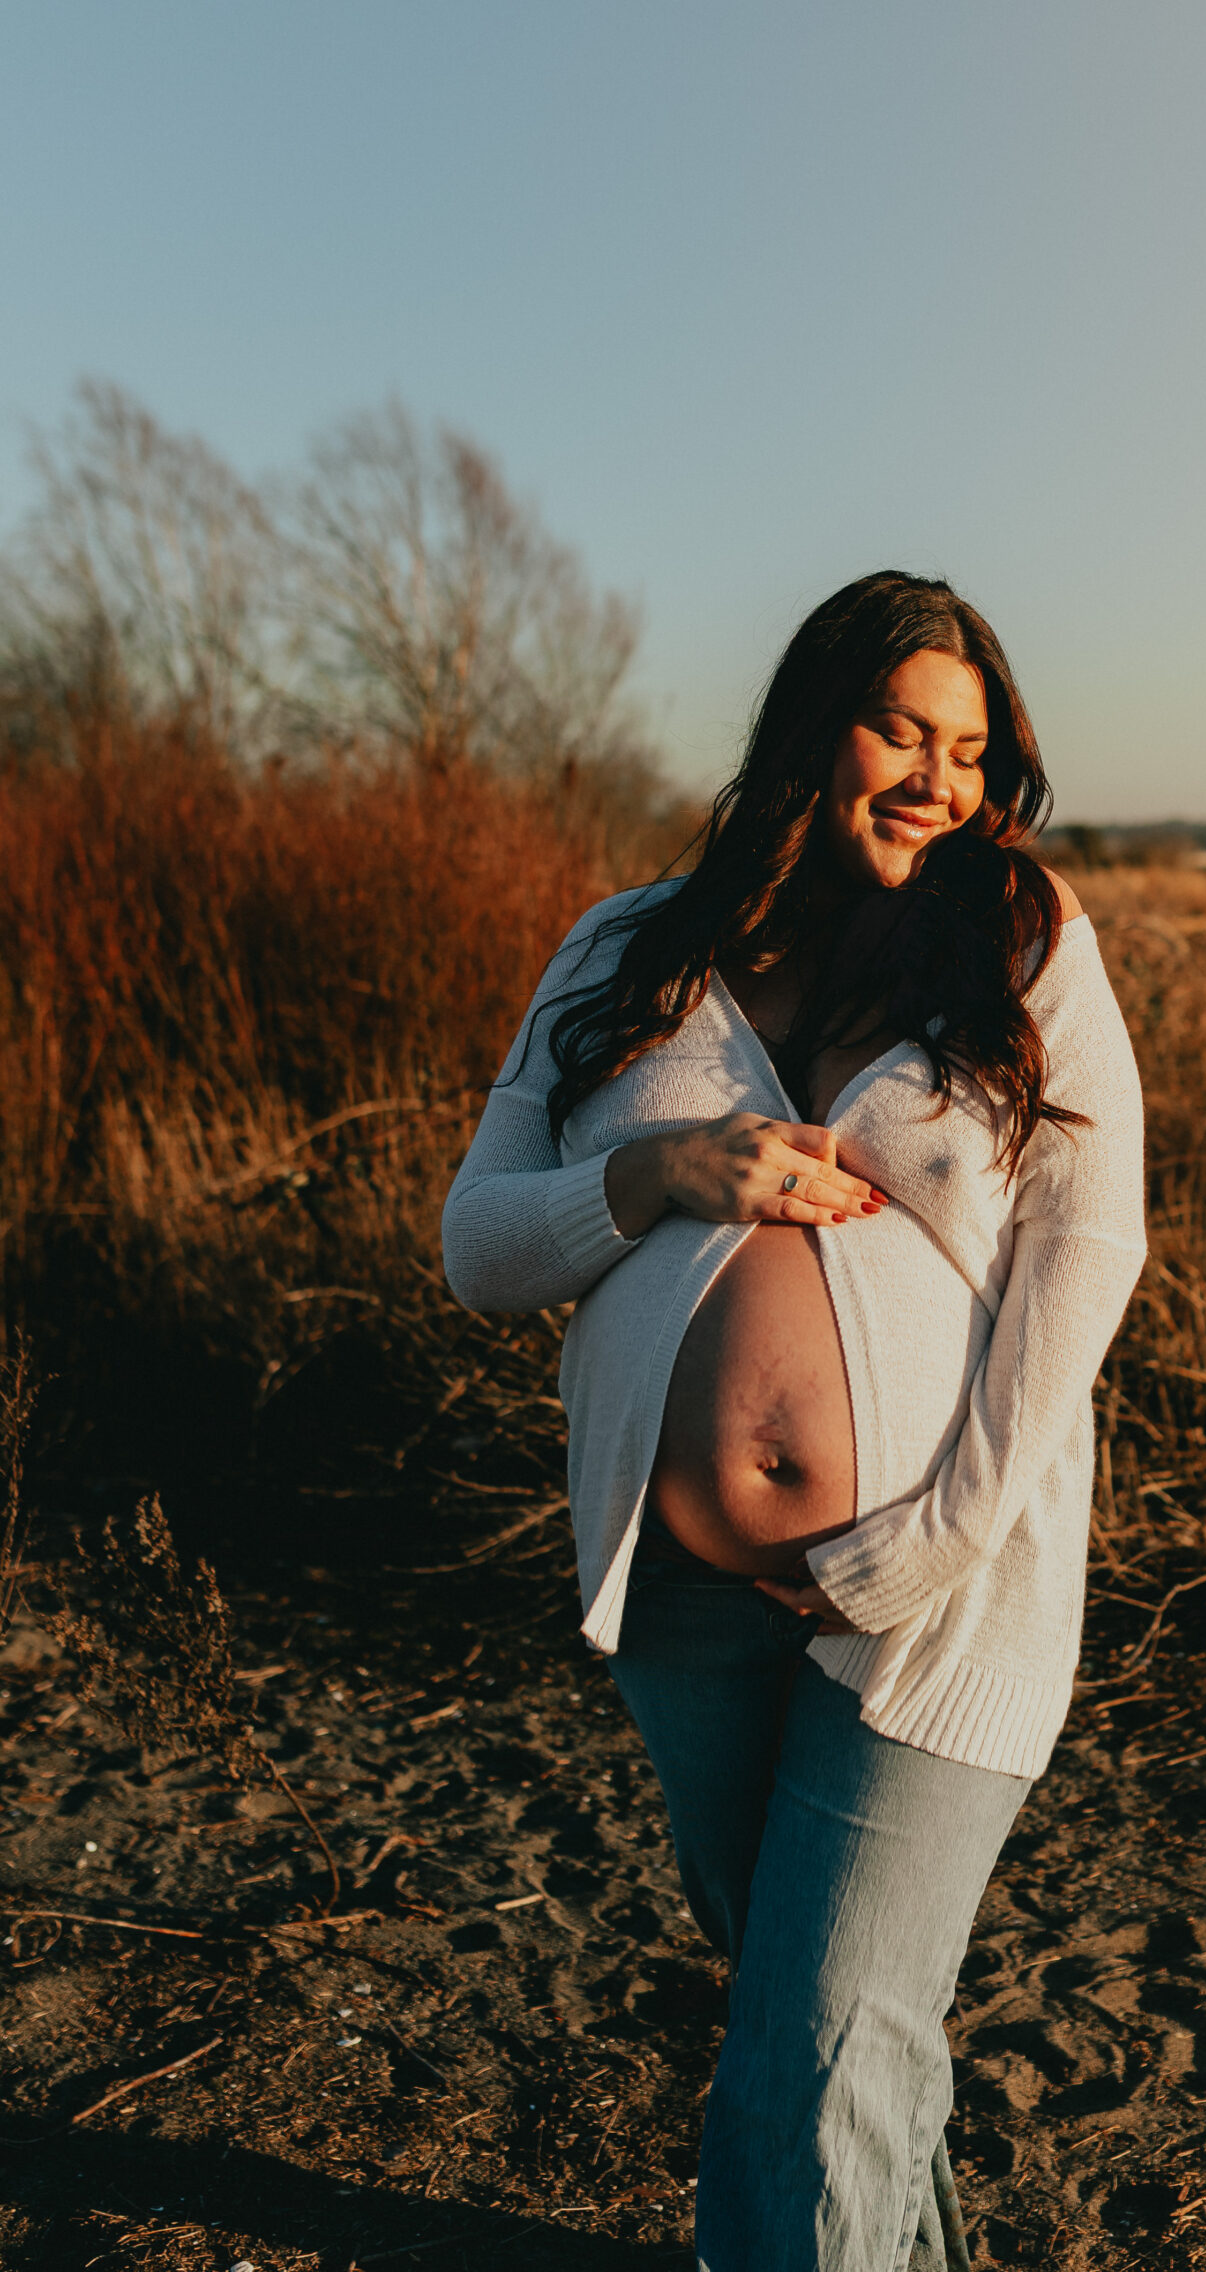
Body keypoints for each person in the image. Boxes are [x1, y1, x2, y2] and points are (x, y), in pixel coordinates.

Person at [442, 572, 1146, 2270]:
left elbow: (1090, 1245)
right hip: (683, 1604)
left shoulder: (1021, 938)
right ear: (807, 728)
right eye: (900, 728)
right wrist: (654, 1174)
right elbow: (480, 1243)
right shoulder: (626, 947)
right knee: (827, 2027)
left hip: (931, 1590)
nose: (938, 777)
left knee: (819, 2043)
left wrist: (927, 1543)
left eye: (970, 748)